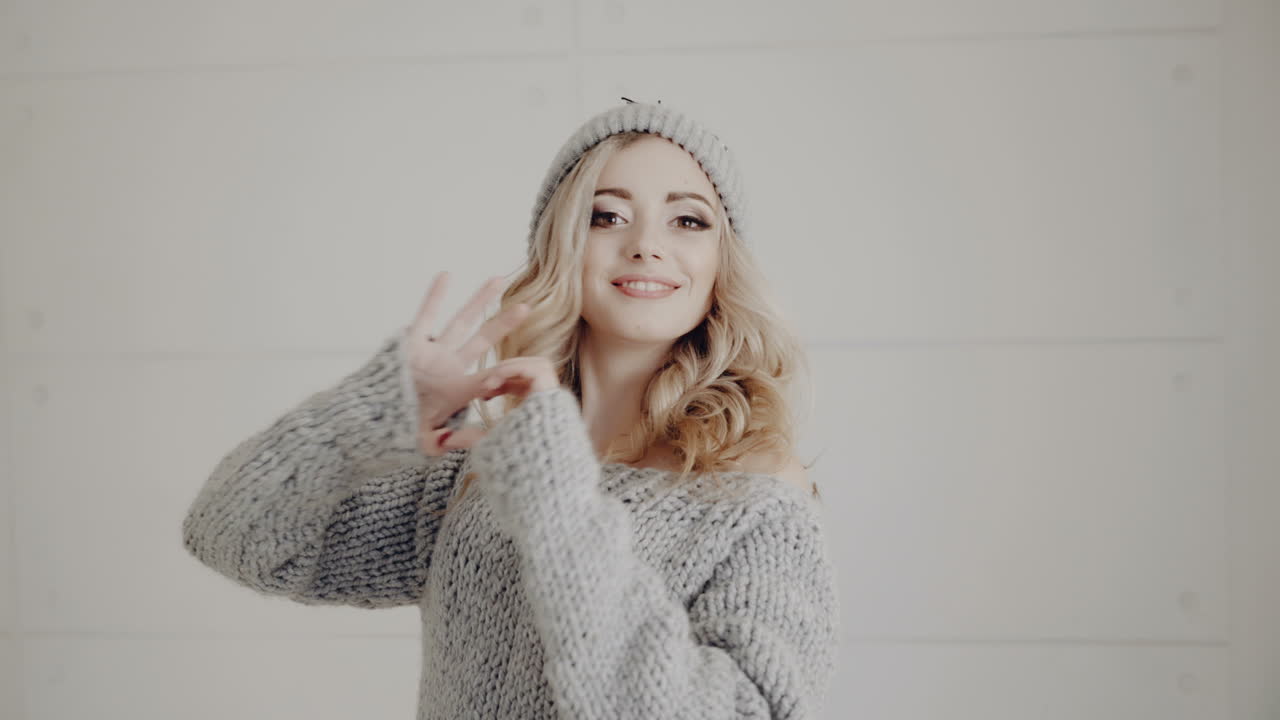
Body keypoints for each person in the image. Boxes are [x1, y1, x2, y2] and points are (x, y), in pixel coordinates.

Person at [182, 98, 841, 719]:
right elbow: (234, 535)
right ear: (561, 246)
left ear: (721, 261)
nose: (646, 244)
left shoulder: (756, 495)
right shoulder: (475, 477)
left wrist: (558, 501)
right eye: (606, 215)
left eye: (688, 220)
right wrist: (371, 414)